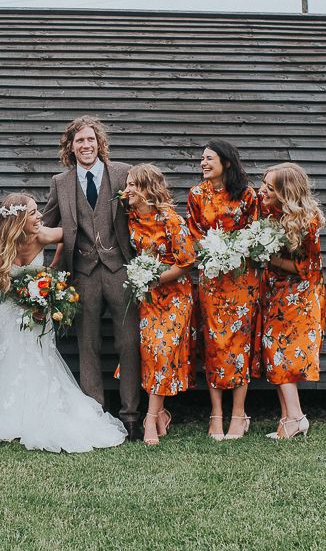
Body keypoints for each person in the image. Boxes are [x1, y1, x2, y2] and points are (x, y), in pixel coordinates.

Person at [0, 193, 127, 451]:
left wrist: (50, 272)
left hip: (38, 303)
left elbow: (69, 236)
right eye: (32, 212)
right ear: (18, 219)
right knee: (8, 355)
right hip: (10, 307)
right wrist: (31, 302)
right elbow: (2, 284)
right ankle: (9, 419)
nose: (40, 216)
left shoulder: (41, 235)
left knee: (39, 357)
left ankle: (39, 410)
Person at [42, 116, 141, 441]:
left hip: (120, 270)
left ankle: (130, 416)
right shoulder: (61, 182)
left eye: (90, 139)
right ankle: (94, 415)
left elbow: (146, 215)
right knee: (88, 345)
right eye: (79, 140)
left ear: (99, 143)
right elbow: (44, 225)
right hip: (82, 273)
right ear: (70, 146)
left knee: (128, 344)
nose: (86, 145)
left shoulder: (123, 173)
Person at [186, 140, 259, 441]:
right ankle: (216, 413)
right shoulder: (196, 194)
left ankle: (239, 414)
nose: (203, 163)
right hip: (212, 279)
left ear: (226, 162)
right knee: (214, 342)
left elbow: (255, 232)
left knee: (240, 344)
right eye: (201, 159)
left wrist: (236, 250)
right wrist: (209, 251)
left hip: (242, 279)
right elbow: (192, 234)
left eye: (209, 158)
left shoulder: (247, 194)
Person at [251, 162, 326, 439]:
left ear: (286, 192)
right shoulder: (269, 212)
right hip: (275, 292)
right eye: (264, 184)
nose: (263, 191)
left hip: (300, 295)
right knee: (274, 353)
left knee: (280, 354)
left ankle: (295, 417)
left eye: (270, 188)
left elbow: (309, 268)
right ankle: (288, 418)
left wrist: (272, 259)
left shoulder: (308, 220)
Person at [124, 164, 195, 445]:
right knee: (152, 351)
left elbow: (187, 261)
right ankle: (161, 411)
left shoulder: (170, 220)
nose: (126, 189)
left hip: (175, 295)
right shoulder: (129, 219)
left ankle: (150, 418)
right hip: (148, 298)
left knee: (162, 348)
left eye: (132, 185)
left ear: (146, 189)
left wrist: (155, 279)